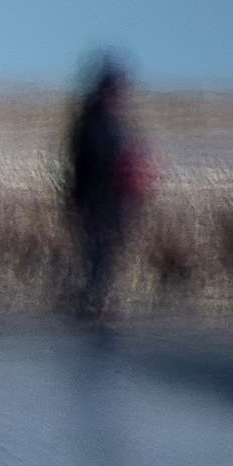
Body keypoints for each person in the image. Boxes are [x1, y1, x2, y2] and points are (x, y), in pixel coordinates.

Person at [62, 56, 151, 322]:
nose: (121, 94)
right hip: (97, 203)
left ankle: (95, 303)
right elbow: (87, 164)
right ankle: (92, 306)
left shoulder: (110, 122)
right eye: (117, 88)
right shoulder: (96, 123)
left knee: (104, 258)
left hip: (110, 204)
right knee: (97, 257)